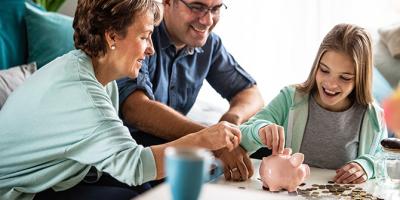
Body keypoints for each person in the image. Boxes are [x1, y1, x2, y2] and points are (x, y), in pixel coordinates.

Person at [0, 1, 242, 200]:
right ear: (112, 36)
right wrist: (204, 139)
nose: (151, 50)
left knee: (149, 188)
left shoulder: (96, 75)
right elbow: (135, 167)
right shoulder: (83, 92)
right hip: (22, 192)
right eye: (145, 37)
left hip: (63, 178)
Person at [117, 0, 264, 182]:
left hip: (178, 157)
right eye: (197, 7)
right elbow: (135, 108)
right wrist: (212, 140)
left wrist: (229, 121)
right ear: (167, 2)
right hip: (130, 160)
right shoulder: (142, 35)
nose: (208, 20)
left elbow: (251, 93)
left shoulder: (210, 44)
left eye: (216, 8)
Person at [240, 23, 388, 184]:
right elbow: (242, 134)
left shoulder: (373, 116)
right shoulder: (289, 98)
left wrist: (367, 165)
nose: (331, 84)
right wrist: (259, 129)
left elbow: (386, 159)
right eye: (324, 70)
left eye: (344, 77)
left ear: (360, 78)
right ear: (316, 65)